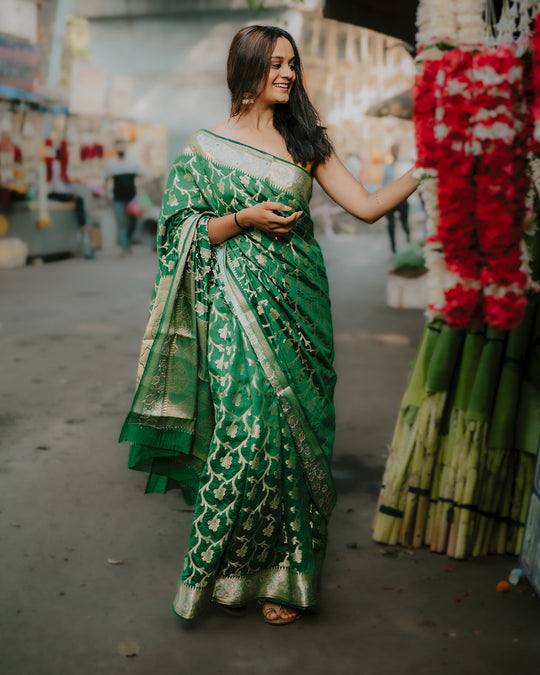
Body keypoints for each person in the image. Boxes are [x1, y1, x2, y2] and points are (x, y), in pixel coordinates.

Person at [119, 25, 417, 626]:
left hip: (300, 308)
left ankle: (287, 576)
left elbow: (364, 207)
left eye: (292, 63)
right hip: (234, 308)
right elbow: (180, 233)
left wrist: (428, 172)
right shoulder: (204, 149)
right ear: (246, 69)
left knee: (295, 437)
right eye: (275, 63)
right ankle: (218, 574)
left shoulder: (307, 141)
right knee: (247, 435)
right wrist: (242, 217)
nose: (287, 73)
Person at [104, 139, 141, 255]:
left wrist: (139, 191)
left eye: (122, 146)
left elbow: (141, 177)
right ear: (116, 148)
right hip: (117, 199)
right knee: (121, 224)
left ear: (125, 147)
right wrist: (107, 195)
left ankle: (127, 243)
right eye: (118, 147)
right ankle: (125, 248)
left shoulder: (133, 162)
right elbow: (105, 180)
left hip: (132, 198)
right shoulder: (111, 164)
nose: (121, 149)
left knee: (134, 222)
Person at [381, 144, 412, 254]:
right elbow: (383, 182)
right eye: (392, 150)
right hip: (389, 199)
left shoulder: (404, 165)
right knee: (391, 225)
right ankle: (393, 248)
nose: (394, 152)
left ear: (398, 151)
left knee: (404, 224)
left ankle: (409, 243)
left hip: (402, 199)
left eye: (396, 150)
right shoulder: (387, 167)